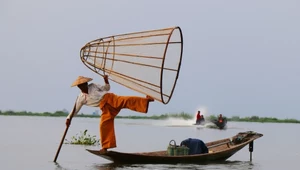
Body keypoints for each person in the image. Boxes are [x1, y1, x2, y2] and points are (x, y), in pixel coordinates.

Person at [65, 75, 155, 154]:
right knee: (103, 125)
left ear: (86, 83)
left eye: (84, 84)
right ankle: (105, 147)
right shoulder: (81, 98)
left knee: (126, 100)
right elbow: (75, 110)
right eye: (80, 86)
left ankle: (146, 100)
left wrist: (106, 80)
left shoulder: (93, 86)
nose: (83, 86)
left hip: (110, 98)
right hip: (105, 107)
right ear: (79, 87)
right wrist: (68, 118)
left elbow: (107, 88)